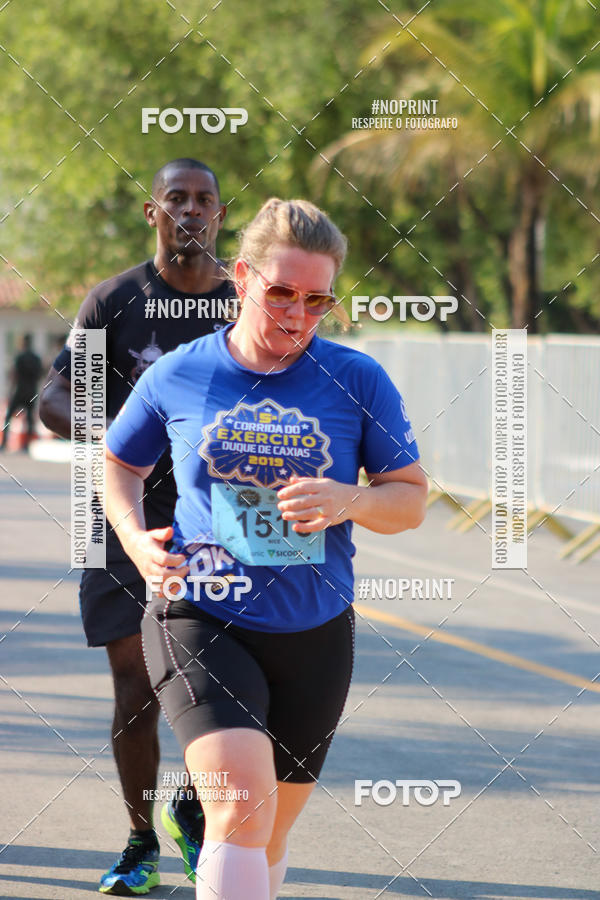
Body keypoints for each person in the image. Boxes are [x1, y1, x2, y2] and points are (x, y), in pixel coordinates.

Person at [103, 198, 427, 900]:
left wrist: (351, 501)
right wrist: (134, 539)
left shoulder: (357, 379)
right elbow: (118, 464)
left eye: (318, 301)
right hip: (198, 613)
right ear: (244, 278)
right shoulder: (180, 373)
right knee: (241, 810)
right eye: (282, 292)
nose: (298, 315)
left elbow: (410, 498)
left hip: (314, 629)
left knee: (270, 831)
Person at [39, 158, 234, 895]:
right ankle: (138, 842)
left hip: (219, 522)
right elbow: (55, 398)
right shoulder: (116, 301)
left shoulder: (242, 303)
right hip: (119, 518)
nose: (190, 211)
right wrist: (128, 430)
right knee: (136, 685)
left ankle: (192, 801)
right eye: (176, 199)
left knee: (225, 682)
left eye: (204, 200)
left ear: (219, 215)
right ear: (153, 213)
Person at [0, 334, 42, 451]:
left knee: (9, 417)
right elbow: (39, 375)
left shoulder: (20, 357)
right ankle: (26, 446)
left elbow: (14, 375)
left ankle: (4, 444)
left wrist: (10, 391)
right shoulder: (36, 358)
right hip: (31, 392)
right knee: (29, 419)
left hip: (20, 391)